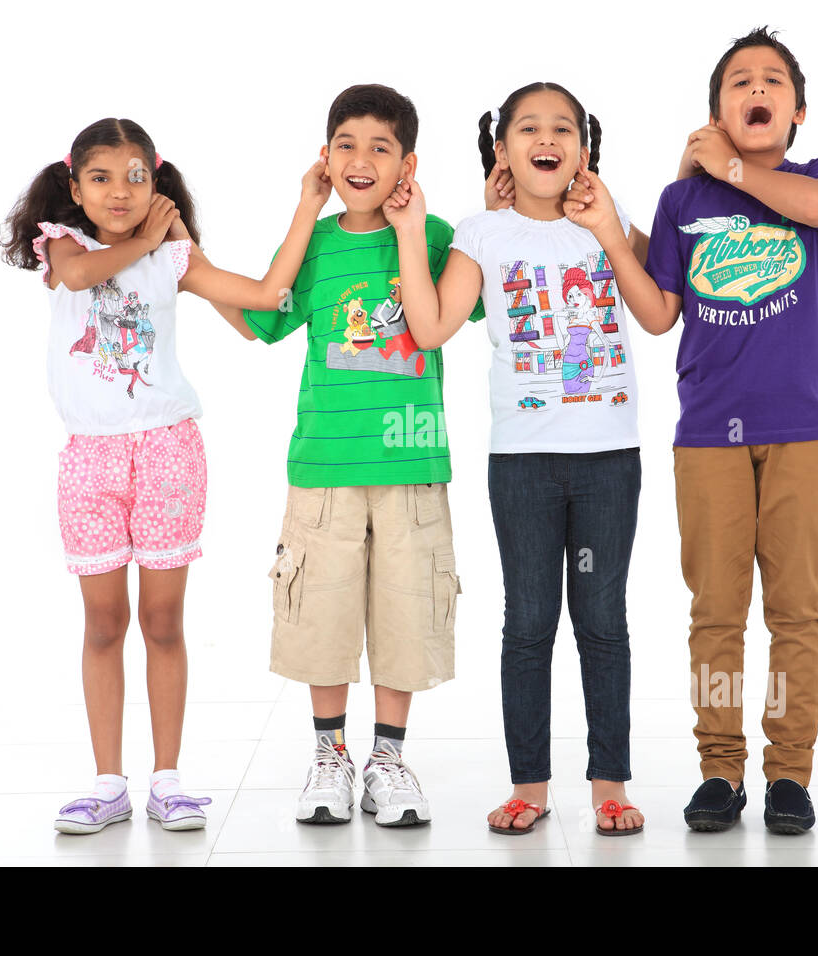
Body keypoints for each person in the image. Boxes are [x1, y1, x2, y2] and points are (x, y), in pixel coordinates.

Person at [1, 116, 328, 833]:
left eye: (136, 176)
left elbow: (269, 294)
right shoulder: (64, 245)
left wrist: (306, 206)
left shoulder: (173, 260)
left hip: (168, 451)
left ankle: (169, 781)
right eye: (101, 177)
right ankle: (108, 782)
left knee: (162, 621)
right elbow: (83, 277)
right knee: (102, 623)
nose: (120, 191)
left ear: (158, 179)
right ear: (74, 186)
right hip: (90, 457)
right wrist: (152, 239)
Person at [564, 26, 818, 833]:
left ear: (796, 111)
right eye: (738, 82)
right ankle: (721, 769)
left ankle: (789, 772)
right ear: (715, 112)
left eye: (772, 82)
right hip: (708, 437)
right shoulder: (684, 203)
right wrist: (613, 231)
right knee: (716, 611)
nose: (756, 89)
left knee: (796, 610)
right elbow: (656, 314)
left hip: (802, 432)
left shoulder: (814, 182)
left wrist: (729, 166)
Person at [215, 85, 482, 828]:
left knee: (405, 618)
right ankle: (329, 756)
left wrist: (408, 229)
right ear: (325, 156)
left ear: (408, 163)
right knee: (321, 617)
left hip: (411, 467)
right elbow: (261, 319)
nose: (361, 160)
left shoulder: (433, 238)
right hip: (325, 471)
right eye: (346, 145)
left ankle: (388, 760)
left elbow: (455, 313)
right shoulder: (317, 243)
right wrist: (302, 211)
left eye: (381, 147)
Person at [387, 82, 649, 836]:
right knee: (530, 622)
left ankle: (610, 784)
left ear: (584, 150)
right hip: (524, 463)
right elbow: (432, 327)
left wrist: (608, 227)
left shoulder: (608, 219)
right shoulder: (480, 233)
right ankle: (528, 786)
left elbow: (657, 315)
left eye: (562, 127)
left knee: (602, 620)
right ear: (502, 150)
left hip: (608, 459)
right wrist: (410, 229)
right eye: (528, 128)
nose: (547, 137)